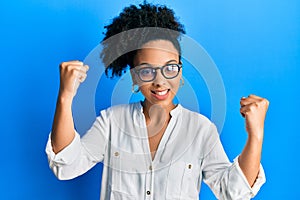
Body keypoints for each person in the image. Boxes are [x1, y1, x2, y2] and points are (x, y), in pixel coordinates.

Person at [46, 2, 269, 200]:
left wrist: (256, 135)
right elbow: (66, 165)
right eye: (147, 71)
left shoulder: (201, 130)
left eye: (170, 68)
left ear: (180, 73)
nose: (160, 81)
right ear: (134, 77)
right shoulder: (111, 122)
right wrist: (65, 97)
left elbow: (233, 193)